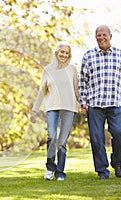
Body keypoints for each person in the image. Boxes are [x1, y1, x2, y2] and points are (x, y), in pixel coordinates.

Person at [78, 25, 121, 180]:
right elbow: (82, 82)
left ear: (110, 36)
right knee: (96, 138)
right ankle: (102, 171)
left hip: (115, 102)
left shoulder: (120, 55)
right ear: (95, 37)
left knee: (118, 133)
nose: (101, 38)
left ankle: (117, 163)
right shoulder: (88, 56)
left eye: (104, 35)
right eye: (98, 35)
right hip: (95, 105)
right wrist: (83, 102)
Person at [30, 41, 78, 181]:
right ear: (56, 52)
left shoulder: (72, 69)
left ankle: (60, 172)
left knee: (62, 142)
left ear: (69, 55)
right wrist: (35, 109)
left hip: (69, 107)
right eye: (61, 52)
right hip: (52, 107)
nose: (64, 55)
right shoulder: (48, 69)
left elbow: (76, 88)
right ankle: (50, 168)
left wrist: (82, 103)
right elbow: (42, 91)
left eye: (66, 53)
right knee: (52, 137)